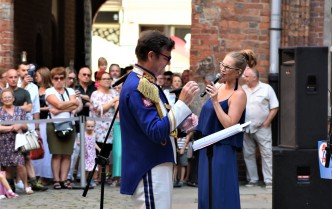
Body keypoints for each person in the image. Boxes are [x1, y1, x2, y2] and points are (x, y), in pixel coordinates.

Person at [119, 30, 199, 208]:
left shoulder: (148, 83)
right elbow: (155, 131)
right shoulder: (139, 85)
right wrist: (181, 104)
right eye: (166, 58)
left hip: (157, 162)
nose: (168, 63)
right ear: (151, 55)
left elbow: (160, 124)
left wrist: (182, 125)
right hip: (149, 164)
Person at [196, 49, 257, 209]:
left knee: (220, 193)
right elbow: (210, 117)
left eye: (227, 67)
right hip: (205, 147)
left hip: (222, 150)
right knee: (205, 193)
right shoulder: (218, 86)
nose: (222, 69)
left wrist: (215, 101)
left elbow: (230, 125)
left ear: (237, 73)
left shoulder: (239, 95)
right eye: (222, 64)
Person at [242, 67, 279, 189]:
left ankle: (269, 180)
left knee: (267, 153)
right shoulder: (243, 89)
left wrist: (267, 121)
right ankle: (253, 179)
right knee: (248, 154)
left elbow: (275, 107)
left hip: (262, 126)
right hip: (246, 128)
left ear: (254, 77)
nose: (244, 78)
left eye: (247, 76)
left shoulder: (266, 88)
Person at [45, 67, 79, 189]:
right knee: (57, 153)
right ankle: (56, 180)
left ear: (65, 79)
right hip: (54, 125)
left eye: (61, 78)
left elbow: (75, 104)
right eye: (56, 78)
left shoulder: (70, 90)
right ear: (52, 80)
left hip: (70, 124)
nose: (59, 80)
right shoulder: (49, 91)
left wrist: (58, 109)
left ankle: (64, 179)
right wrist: (68, 105)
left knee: (67, 153)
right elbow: (60, 103)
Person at [0, 89, 33, 194]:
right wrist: (11, 128)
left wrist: (20, 125)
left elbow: (26, 125)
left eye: (9, 97)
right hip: (3, 142)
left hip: (18, 141)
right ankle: (8, 187)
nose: (7, 99)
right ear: (1, 99)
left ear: (13, 98)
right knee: (5, 165)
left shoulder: (20, 111)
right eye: (5, 97)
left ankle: (26, 186)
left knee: (20, 163)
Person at [89, 71, 118, 185]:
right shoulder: (95, 94)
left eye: (109, 78)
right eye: (105, 78)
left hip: (111, 128)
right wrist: (112, 101)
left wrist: (114, 101)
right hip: (98, 128)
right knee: (97, 153)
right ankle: (95, 176)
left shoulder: (114, 93)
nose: (107, 80)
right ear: (99, 81)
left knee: (107, 153)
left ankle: (105, 176)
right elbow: (99, 109)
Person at [33, 67, 53, 185]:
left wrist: (38, 109)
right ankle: (36, 174)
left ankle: (46, 175)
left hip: (46, 120)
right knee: (36, 147)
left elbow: (51, 106)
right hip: (36, 121)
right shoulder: (35, 88)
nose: (36, 77)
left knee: (46, 148)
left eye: (38, 75)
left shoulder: (50, 90)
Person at [83, 120, 100, 187]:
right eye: (88, 126)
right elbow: (78, 142)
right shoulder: (83, 134)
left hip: (92, 154)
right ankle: (85, 180)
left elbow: (94, 143)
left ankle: (91, 180)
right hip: (86, 154)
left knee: (93, 168)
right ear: (85, 126)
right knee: (86, 168)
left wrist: (98, 148)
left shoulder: (94, 134)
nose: (90, 128)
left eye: (92, 126)